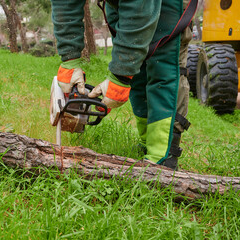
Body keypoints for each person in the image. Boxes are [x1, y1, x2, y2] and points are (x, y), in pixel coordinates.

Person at [51, 0, 189, 170]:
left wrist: (121, 75)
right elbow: (65, 4)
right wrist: (69, 57)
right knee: (138, 75)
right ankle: (148, 143)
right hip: (120, 5)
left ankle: (163, 157)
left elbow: (139, 8)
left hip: (163, 5)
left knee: (163, 70)